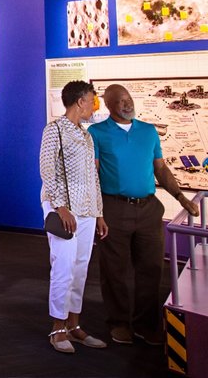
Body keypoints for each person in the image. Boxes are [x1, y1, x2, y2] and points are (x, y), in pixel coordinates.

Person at [89, 83, 200, 345]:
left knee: (151, 269)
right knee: (114, 270)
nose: (127, 104)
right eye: (120, 101)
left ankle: (145, 324)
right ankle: (118, 322)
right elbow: (93, 174)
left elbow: (161, 169)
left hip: (149, 209)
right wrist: (97, 213)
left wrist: (181, 197)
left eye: (128, 99)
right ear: (108, 105)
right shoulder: (96, 133)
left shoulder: (149, 131)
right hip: (113, 208)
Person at [39, 80, 108, 354]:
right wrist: (60, 206)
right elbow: (46, 169)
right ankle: (57, 329)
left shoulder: (87, 136)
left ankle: (74, 325)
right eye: (92, 101)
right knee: (63, 267)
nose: (94, 106)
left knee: (81, 268)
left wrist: (99, 212)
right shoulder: (54, 129)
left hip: (88, 211)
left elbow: (93, 177)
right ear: (80, 101)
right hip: (63, 211)